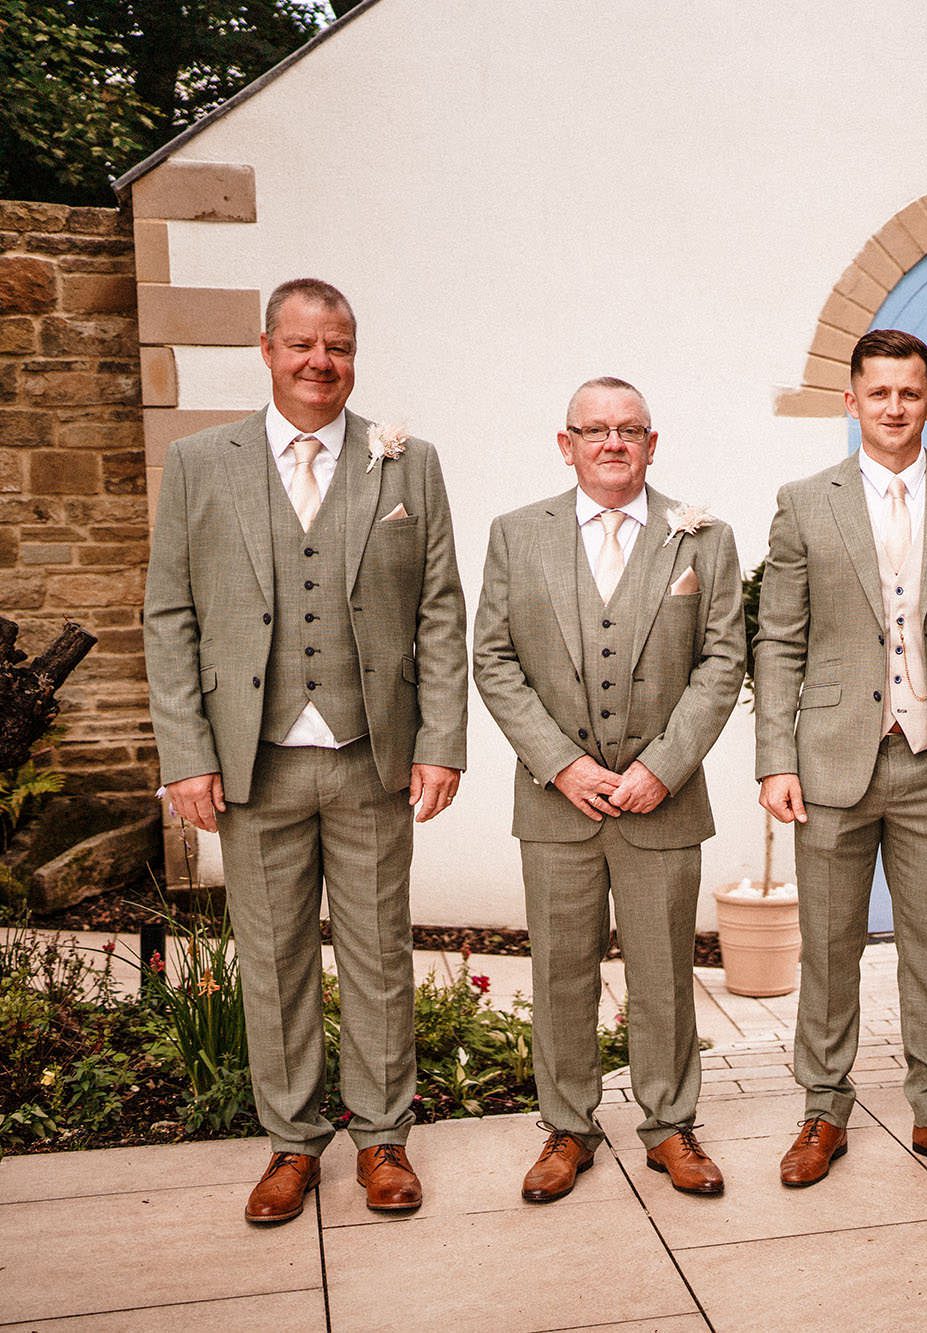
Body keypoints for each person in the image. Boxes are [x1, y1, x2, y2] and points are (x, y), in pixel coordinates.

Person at [143, 278, 467, 1224]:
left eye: (339, 346)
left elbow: (440, 611)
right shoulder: (202, 461)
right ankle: (290, 1146)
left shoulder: (408, 463)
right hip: (254, 760)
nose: (320, 362)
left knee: (377, 954)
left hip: (372, 755)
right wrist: (185, 754)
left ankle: (383, 1141)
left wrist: (440, 740)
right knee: (274, 955)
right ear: (267, 348)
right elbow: (170, 617)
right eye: (301, 345)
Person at [473, 377, 745, 1202]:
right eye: (595, 430)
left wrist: (661, 767)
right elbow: (494, 658)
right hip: (558, 803)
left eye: (630, 429)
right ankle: (567, 1127)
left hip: (661, 800)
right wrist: (562, 763)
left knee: (664, 969)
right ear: (567, 444)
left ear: (652, 443)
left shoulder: (705, 537)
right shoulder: (517, 535)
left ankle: (670, 1125)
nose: (613, 443)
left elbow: (723, 660)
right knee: (560, 970)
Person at [754, 329, 927, 1186]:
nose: (895, 408)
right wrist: (775, 758)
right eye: (880, 393)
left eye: (911, 394)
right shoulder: (804, 501)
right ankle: (822, 1110)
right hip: (831, 761)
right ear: (852, 401)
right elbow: (780, 638)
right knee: (828, 946)